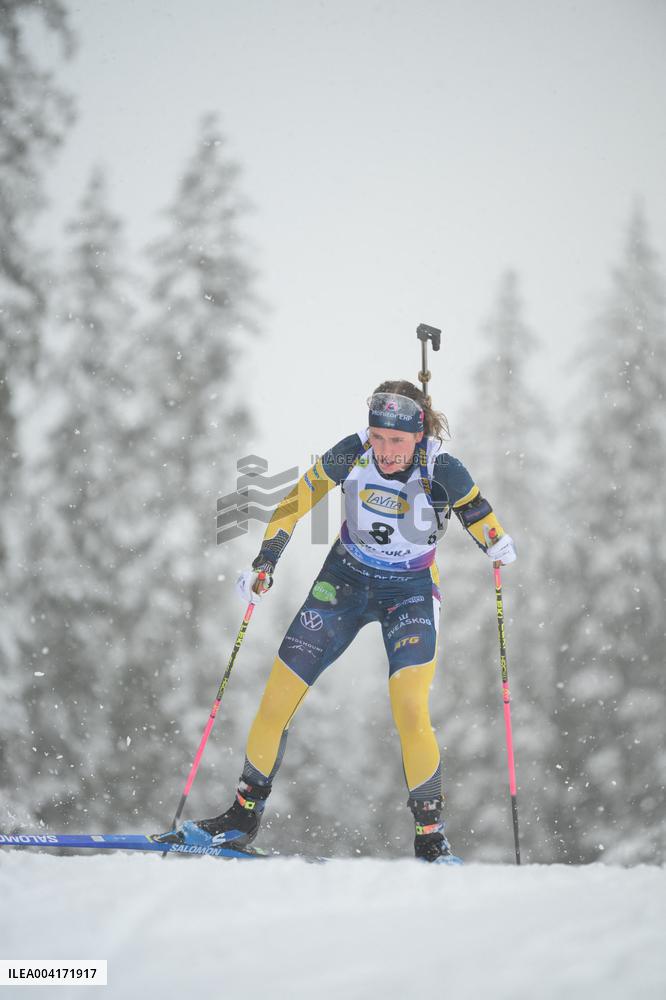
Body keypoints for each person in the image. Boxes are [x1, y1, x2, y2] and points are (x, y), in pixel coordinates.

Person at [155, 380, 516, 863]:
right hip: (343, 581)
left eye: (397, 441)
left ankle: (431, 837)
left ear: (419, 435)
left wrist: (495, 541)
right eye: (378, 437)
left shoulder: (442, 469)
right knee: (275, 699)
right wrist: (266, 560)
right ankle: (241, 818)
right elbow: (294, 501)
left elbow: (478, 513)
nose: (385, 452)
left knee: (409, 705)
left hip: (408, 592)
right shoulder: (353, 454)